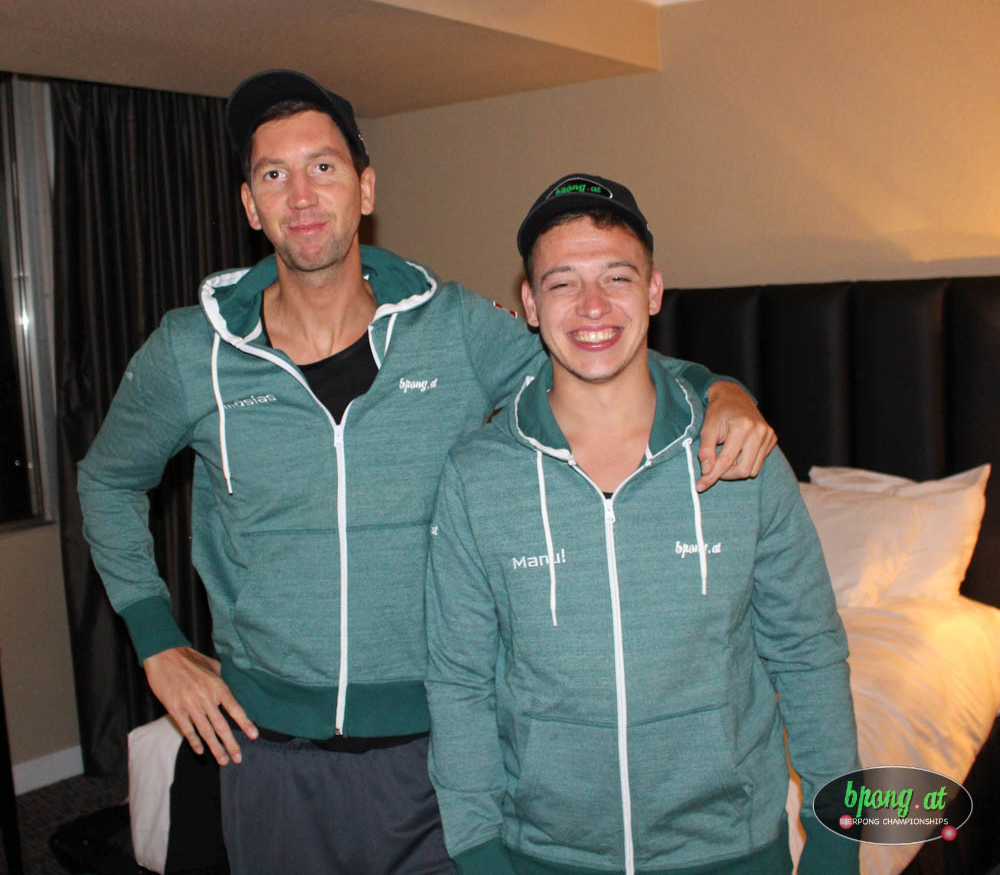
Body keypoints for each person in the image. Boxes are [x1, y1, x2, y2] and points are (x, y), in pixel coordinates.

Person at [77, 71, 776, 875]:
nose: (301, 195)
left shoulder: (454, 328)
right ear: (250, 205)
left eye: (324, 167)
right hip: (269, 753)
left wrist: (718, 389)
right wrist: (157, 643)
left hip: (438, 754)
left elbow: (598, 364)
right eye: (274, 174)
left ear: (366, 188)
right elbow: (107, 480)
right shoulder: (190, 351)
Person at [424, 174, 859, 875]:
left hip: (733, 851)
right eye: (563, 283)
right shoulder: (478, 476)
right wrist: (478, 850)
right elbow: (458, 682)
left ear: (654, 291)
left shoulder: (742, 456)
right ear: (530, 304)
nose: (593, 306)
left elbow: (807, 652)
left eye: (617, 277)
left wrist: (835, 838)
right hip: (543, 856)